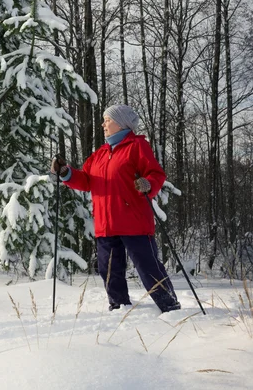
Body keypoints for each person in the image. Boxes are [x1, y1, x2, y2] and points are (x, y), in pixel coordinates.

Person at [51, 104, 181, 314]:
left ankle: (170, 306)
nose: (103, 124)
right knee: (109, 270)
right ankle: (119, 307)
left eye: (107, 120)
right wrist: (66, 173)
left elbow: (156, 174)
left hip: (134, 221)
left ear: (121, 123)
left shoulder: (137, 146)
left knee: (148, 268)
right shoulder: (100, 153)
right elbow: (86, 180)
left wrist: (148, 184)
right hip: (106, 223)